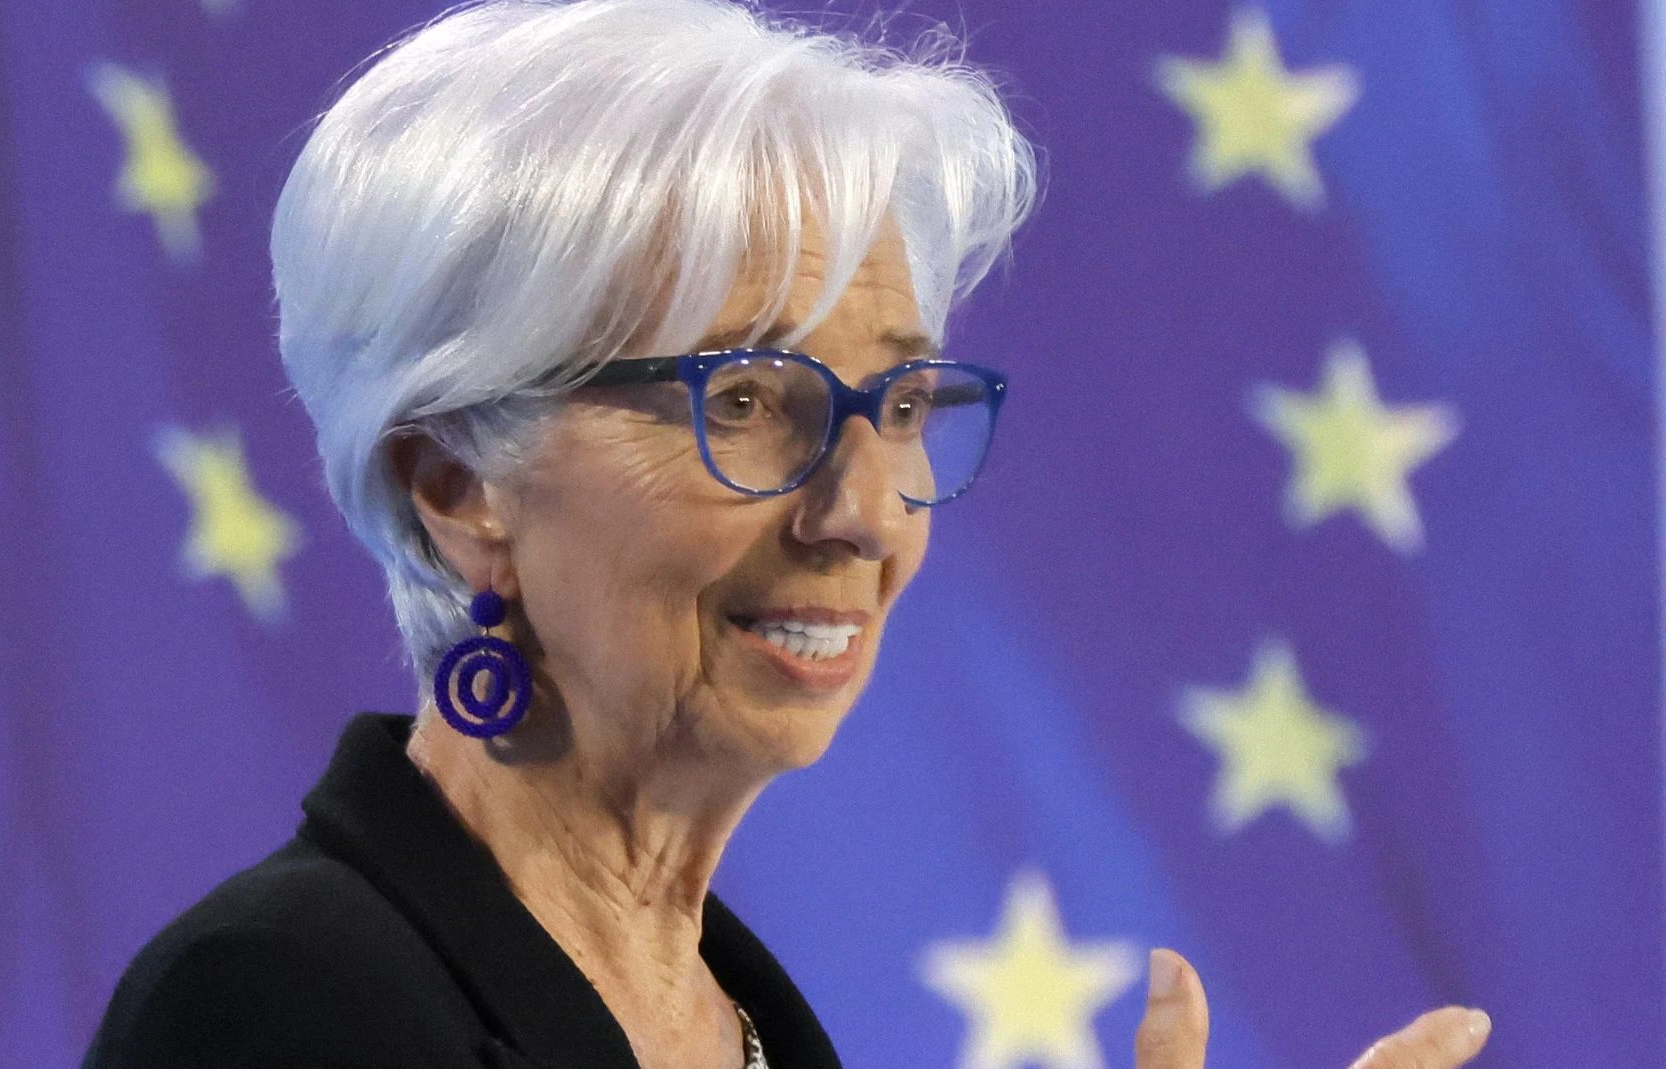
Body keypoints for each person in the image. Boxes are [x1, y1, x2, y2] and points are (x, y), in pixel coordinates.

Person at [83, 1, 1495, 1067]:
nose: (864, 512)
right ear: (458, 486)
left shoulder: (745, 1018)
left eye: (903, 403)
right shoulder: (281, 1003)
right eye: (747, 400)